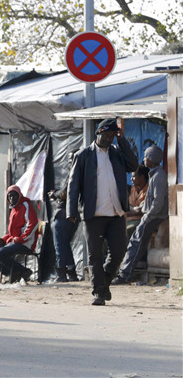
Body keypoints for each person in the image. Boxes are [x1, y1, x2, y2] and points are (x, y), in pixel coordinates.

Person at [67, 118, 137, 305]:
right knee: (95, 255)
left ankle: (103, 282)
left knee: (119, 251)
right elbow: (73, 186)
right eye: (106, 135)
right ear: (98, 133)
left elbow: (133, 165)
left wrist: (122, 140)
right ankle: (99, 292)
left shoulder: (116, 153)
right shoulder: (83, 156)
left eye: (112, 136)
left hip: (116, 212)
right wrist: (71, 211)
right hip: (93, 214)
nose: (109, 139)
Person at [113, 146, 168, 284]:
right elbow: (151, 201)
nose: (144, 159)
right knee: (137, 244)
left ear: (152, 159)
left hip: (153, 216)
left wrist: (148, 216)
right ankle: (127, 274)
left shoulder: (159, 176)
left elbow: (158, 202)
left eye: (146, 157)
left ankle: (124, 275)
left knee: (135, 243)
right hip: (151, 215)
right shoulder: (155, 174)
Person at [0, 185, 39, 283]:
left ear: (19, 196)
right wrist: (3, 240)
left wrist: (21, 239)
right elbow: (12, 232)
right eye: (10, 196)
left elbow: (33, 224)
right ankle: (11, 273)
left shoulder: (25, 204)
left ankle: (23, 271)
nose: (12, 198)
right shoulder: (14, 209)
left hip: (26, 243)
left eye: (14, 196)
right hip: (15, 241)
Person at [47, 152, 79, 282]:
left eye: (72, 159)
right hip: (72, 214)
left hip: (64, 213)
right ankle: (71, 272)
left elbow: (65, 193)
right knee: (65, 244)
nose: (70, 162)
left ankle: (61, 273)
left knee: (60, 244)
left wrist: (54, 194)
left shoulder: (74, 174)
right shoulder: (84, 174)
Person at [126, 165, 149, 240]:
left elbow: (140, 210)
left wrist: (128, 210)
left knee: (126, 231)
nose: (131, 179)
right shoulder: (133, 190)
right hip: (128, 219)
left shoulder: (149, 191)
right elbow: (128, 206)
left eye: (133, 177)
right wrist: (133, 209)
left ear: (141, 178)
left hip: (140, 221)